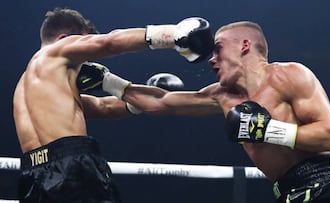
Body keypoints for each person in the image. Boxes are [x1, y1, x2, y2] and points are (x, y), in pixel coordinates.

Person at [80, 21, 330, 202]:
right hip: (286, 192)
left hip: (325, 187)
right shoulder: (222, 96)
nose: (211, 59)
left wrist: (268, 130)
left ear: (245, 46)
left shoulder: (290, 75)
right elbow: (161, 101)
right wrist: (108, 81)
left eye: (218, 50)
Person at [12, 7, 213, 203]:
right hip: (71, 166)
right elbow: (110, 43)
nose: (85, 64)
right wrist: (174, 34)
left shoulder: (26, 88)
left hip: (33, 175)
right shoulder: (56, 51)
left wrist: (113, 84)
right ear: (65, 39)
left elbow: (101, 107)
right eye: (83, 54)